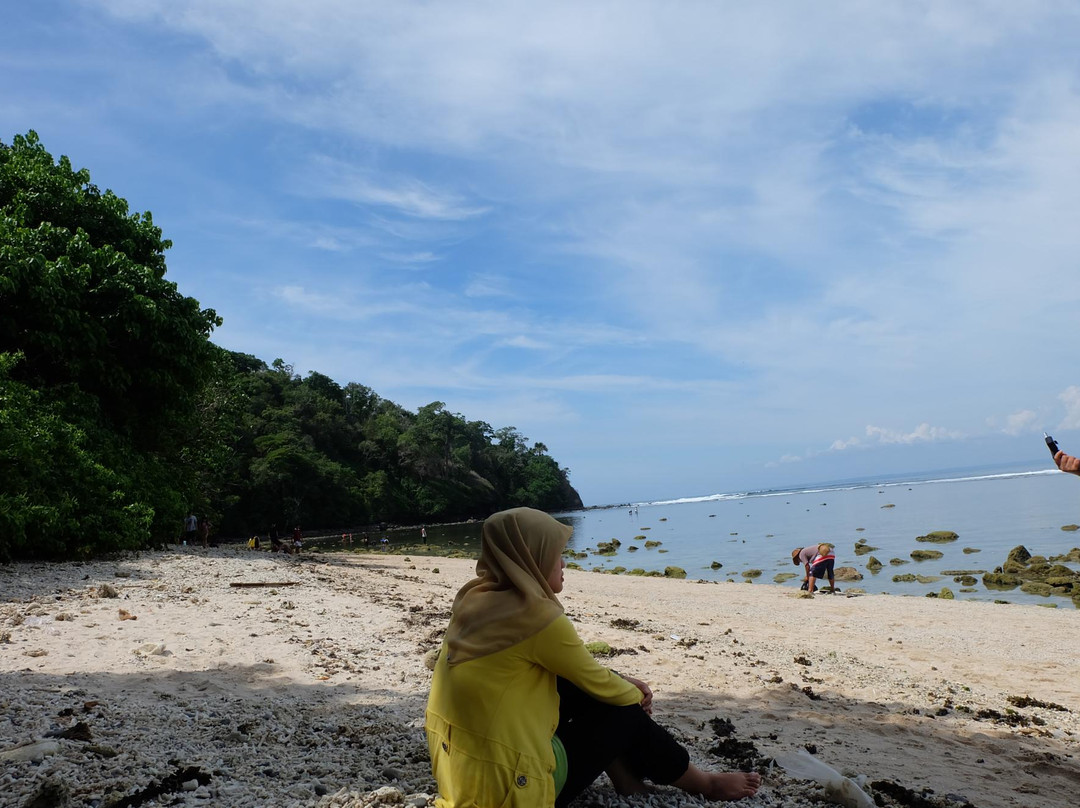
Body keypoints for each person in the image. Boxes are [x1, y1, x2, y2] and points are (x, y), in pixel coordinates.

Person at [425, 507, 761, 808]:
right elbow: (601, 685)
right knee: (622, 710)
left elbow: (575, 673)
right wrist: (637, 694)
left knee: (588, 688)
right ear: (532, 557)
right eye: (557, 554)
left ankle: (627, 781)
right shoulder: (536, 618)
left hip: (460, 774)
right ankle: (704, 783)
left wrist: (622, 683)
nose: (564, 563)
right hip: (511, 790)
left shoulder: (473, 599)